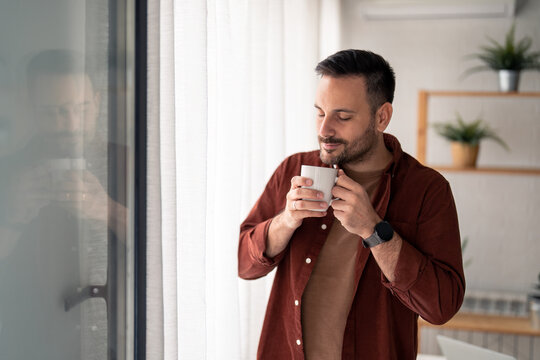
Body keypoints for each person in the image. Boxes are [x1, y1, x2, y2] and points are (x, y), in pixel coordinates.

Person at [238, 49, 465, 360]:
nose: (324, 129)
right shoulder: (293, 170)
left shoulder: (427, 190)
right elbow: (244, 264)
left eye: (342, 116)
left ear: (382, 117)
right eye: (320, 112)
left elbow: (442, 306)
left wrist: (374, 230)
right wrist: (286, 220)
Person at [0, 49, 126, 360]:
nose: (70, 124)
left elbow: (176, 252)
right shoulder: (7, 172)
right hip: (30, 345)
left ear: (97, 102)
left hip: (120, 340)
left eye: (81, 108)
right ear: (30, 110)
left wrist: (108, 210)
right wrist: (13, 218)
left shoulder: (132, 164)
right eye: (53, 112)